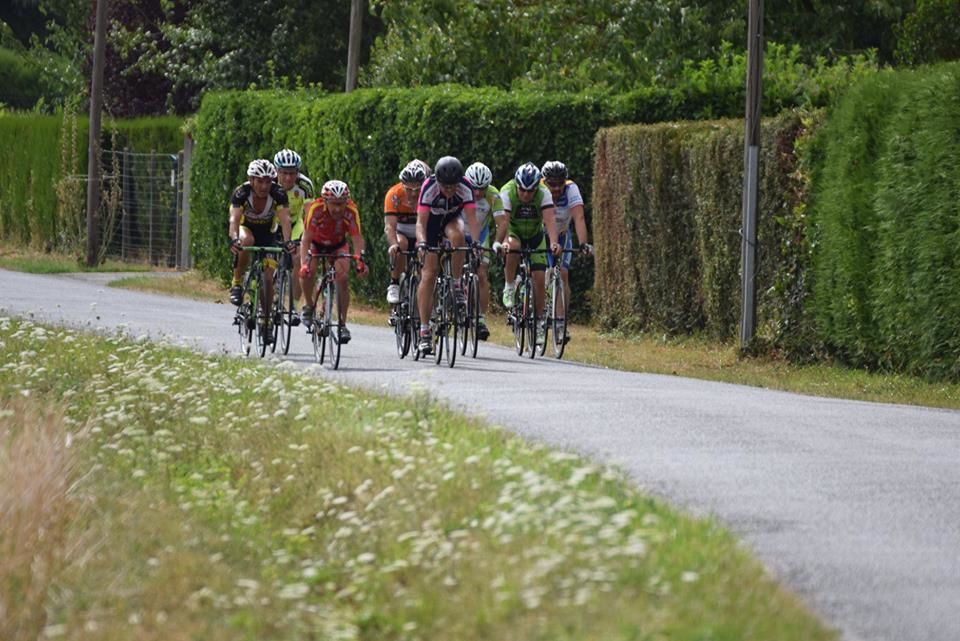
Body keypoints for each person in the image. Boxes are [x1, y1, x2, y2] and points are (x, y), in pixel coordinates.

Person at [415, 156, 480, 355]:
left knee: (459, 236)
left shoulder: (466, 187)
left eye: (454, 186)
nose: (450, 190)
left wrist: (476, 244)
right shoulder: (429, 187)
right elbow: (420, 223)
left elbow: (472, 219)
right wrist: (423, 244)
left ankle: (457, 282)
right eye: (446, 186)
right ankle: (424, 331)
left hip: (452, 219)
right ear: (438, 181)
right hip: (431, 225)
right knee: (429, 273)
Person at [228, 159, 295, 344]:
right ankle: (237, 283)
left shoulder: (278, 193)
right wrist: (234, 238)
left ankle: (266, 323)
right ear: (251, 180)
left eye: (268, 181)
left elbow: (285, 220)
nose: (264, 186)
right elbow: (234, 220)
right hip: (246, 228)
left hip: (268, 233)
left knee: (267, 278)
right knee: (246, 240)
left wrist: (288, 242)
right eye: (260, 181)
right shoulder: (242, 193)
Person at [497, 162, 560, 345]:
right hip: (514, 232)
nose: (526, 195)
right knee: (514, 246)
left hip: (535, 235)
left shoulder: (544, 193)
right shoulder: (507, 191)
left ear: (536, 188)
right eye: (522, 190)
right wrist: (504, 243)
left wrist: (554, 242)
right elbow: (504, 222)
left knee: (539, 279)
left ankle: (540, 321)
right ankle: (509, 286)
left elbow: (550, 220)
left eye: (530, 191)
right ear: (516, 185)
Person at [298, 180, 368, 344]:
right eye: (334, 204)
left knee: (342, 278)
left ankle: (342, 324)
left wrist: (359, 260)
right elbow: (306, 239)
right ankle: (309, 306)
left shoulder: (351, 210)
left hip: (338, 245)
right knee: (308, 272)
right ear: (325, 201)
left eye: (341, 204)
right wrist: (303, 264)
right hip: (316, 244)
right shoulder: (316, 209)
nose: (338, 209)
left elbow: (357, 239)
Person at [541, 160, 593, 340]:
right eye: (551, 184)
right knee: (541, 273)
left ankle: (561, 322)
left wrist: (583, 243)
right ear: (544, 181)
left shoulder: (571, 189)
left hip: (563, 234)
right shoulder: (539, 189)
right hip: (541, 235)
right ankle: (539, 313)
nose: (556, 188)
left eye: (559, 184)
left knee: (562, 274)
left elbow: (579, 217)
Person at [463, 161, 507, 341]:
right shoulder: (460, 190)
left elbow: (502, 222)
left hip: (480, 235)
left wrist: (497, 242)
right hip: (459, 231)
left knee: (481, 274)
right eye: (475, 188)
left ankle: (480, 319)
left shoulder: (493, 195)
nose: (478, 193)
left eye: (482, 188)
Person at [273, 148, 315, 325]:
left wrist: (303, 240)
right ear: (277, 171)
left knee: (299, 257)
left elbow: (309, 216)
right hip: (273, 220)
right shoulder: (269, 182)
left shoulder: (305, 185)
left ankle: (293, 306)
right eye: (284, 173)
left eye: (292, 173)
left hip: (296, 221)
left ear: (298, 172)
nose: (288, 178)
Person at [384, 160, 426, 305]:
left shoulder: (428, 193)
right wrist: (393, 245)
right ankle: (394, 283)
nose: (413, 194)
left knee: (426, 257)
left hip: (421, 231)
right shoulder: (394, 195)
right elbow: (390, 226)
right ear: (402, 185)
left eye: (417, 190)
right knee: (401, 244)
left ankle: (426, 298)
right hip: (401, 230)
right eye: (409, 189)